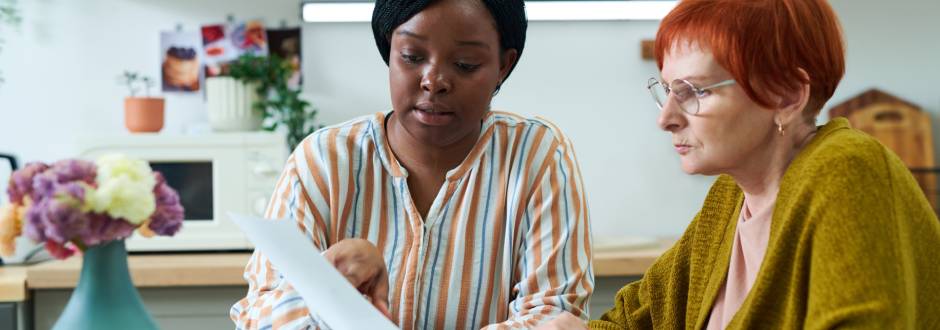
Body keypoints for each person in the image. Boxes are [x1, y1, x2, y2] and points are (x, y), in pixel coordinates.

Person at [541, 0, 940, 329]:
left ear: (786, 96)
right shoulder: (731, 197)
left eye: (694, 91)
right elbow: (634, 319)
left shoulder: (848, 171)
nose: (666, 118)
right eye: (666, 90)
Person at [231, 0, 593, 329]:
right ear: (389, 51)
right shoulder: (323, 160)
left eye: (465, 64)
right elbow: (259, 315)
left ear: (503, 65)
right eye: (412, 56)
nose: (433, 81)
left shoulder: (536, 156)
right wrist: (328, 288)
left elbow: (555, 316)